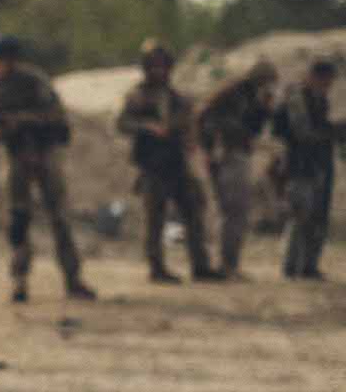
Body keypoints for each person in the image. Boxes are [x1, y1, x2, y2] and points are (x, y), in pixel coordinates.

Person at [0, 34, 97, 303]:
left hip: (43, 151)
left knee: (59, 216)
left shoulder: (34, 81)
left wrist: (21, 120)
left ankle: (72, 278)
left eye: (4, 59)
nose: (0, 64)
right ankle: (19, 279)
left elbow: (55, 115)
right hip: (15, 155)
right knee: (18, 218)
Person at [116, 40, 222, 284]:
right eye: (154, 65)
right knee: (155, 217)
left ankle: (200, 265)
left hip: (176, 161)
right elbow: (123, 123)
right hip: (152, 163)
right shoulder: (137, 96)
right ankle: (157, 267)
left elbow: (187, 124)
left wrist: (187, 135)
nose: (159, 70)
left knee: (193, 209)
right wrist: (148, 127)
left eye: (162, 65)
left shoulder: (175, 97)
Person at [196, 57, 279, 278]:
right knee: (234, 211)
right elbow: (216, 122)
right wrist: (212, 147)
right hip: (228, 155)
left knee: (237, 212)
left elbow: (253, 128)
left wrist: (265, 109)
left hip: (235, 154)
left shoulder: (248, 97)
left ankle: (230, 264)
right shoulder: (234, 95)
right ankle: (227, 265)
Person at [276, 58, 341, 279]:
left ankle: (308, 266)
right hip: (301, 165)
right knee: (300, 215)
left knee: (318, 217)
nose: (328, 85)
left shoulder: (320, 100)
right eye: (325, 80)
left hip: (319, 165)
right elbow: (303, 133)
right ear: (313, 77)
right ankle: (292, 265)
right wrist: (333, 132)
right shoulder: (298, 98)